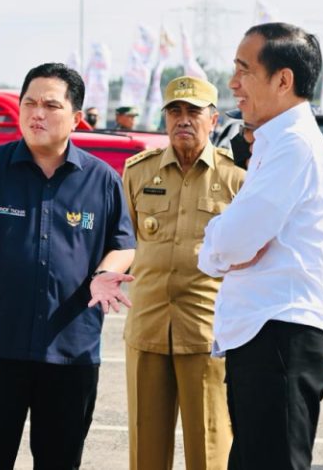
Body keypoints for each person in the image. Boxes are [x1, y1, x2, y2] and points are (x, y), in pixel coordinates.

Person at [0, 62, 136, 470]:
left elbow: (123, 242)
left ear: (76, 118)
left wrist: (105, 273)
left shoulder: (102, 180)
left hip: (70, 352)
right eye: (29, 103)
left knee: (60, 459)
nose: (37, 113)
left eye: (51, 105)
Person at [198, 22, 323, 470]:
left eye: (244, 70)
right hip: (265, 337)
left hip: (280, 337)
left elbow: (236, 238)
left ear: (284, 80)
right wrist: (224, 248)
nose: (233, 83)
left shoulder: (293, 145)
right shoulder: (274, 143)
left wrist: (222, 246)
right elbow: (232, 245)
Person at [122, 76, 245, 470]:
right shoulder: (138, 172)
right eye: (175, 111)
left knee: (209, 451)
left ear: (213, 120)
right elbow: (124, 242)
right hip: (148, 326)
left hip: (206, 331)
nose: (183, 120)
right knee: (146, 451)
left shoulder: (235, 178)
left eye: (193, 112)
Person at [225, 108, 323, 393]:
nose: (243, 139)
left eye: (249, 130)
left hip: (278, 351)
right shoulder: (241, 180)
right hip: (237, 347)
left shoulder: (291, 197)